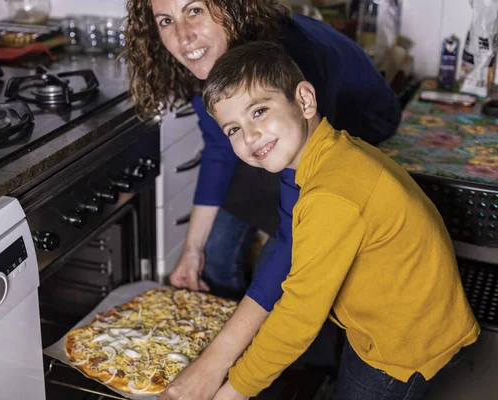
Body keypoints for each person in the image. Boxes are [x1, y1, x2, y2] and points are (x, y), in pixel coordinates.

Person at [123, 0, 402, 398]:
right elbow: (219, 150)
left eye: (195, 10)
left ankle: (310, 371)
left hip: (358, 120)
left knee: (302, 260)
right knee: (217, 249)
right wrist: (192, 251)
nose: (182, 37)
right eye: (166, 20)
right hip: (279, 127)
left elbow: (292, 239)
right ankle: (249, 348)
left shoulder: (292, 67)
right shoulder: (213, 65)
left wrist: (217, 368)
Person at [196, 41, 479, 400]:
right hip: (393, 324)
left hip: (400, 351)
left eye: (259, 111)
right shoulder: (336, 153)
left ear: (304, 101)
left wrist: (232, 392)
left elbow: (298, 320)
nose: (249, 136)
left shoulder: (332, 195)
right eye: (232, 129)